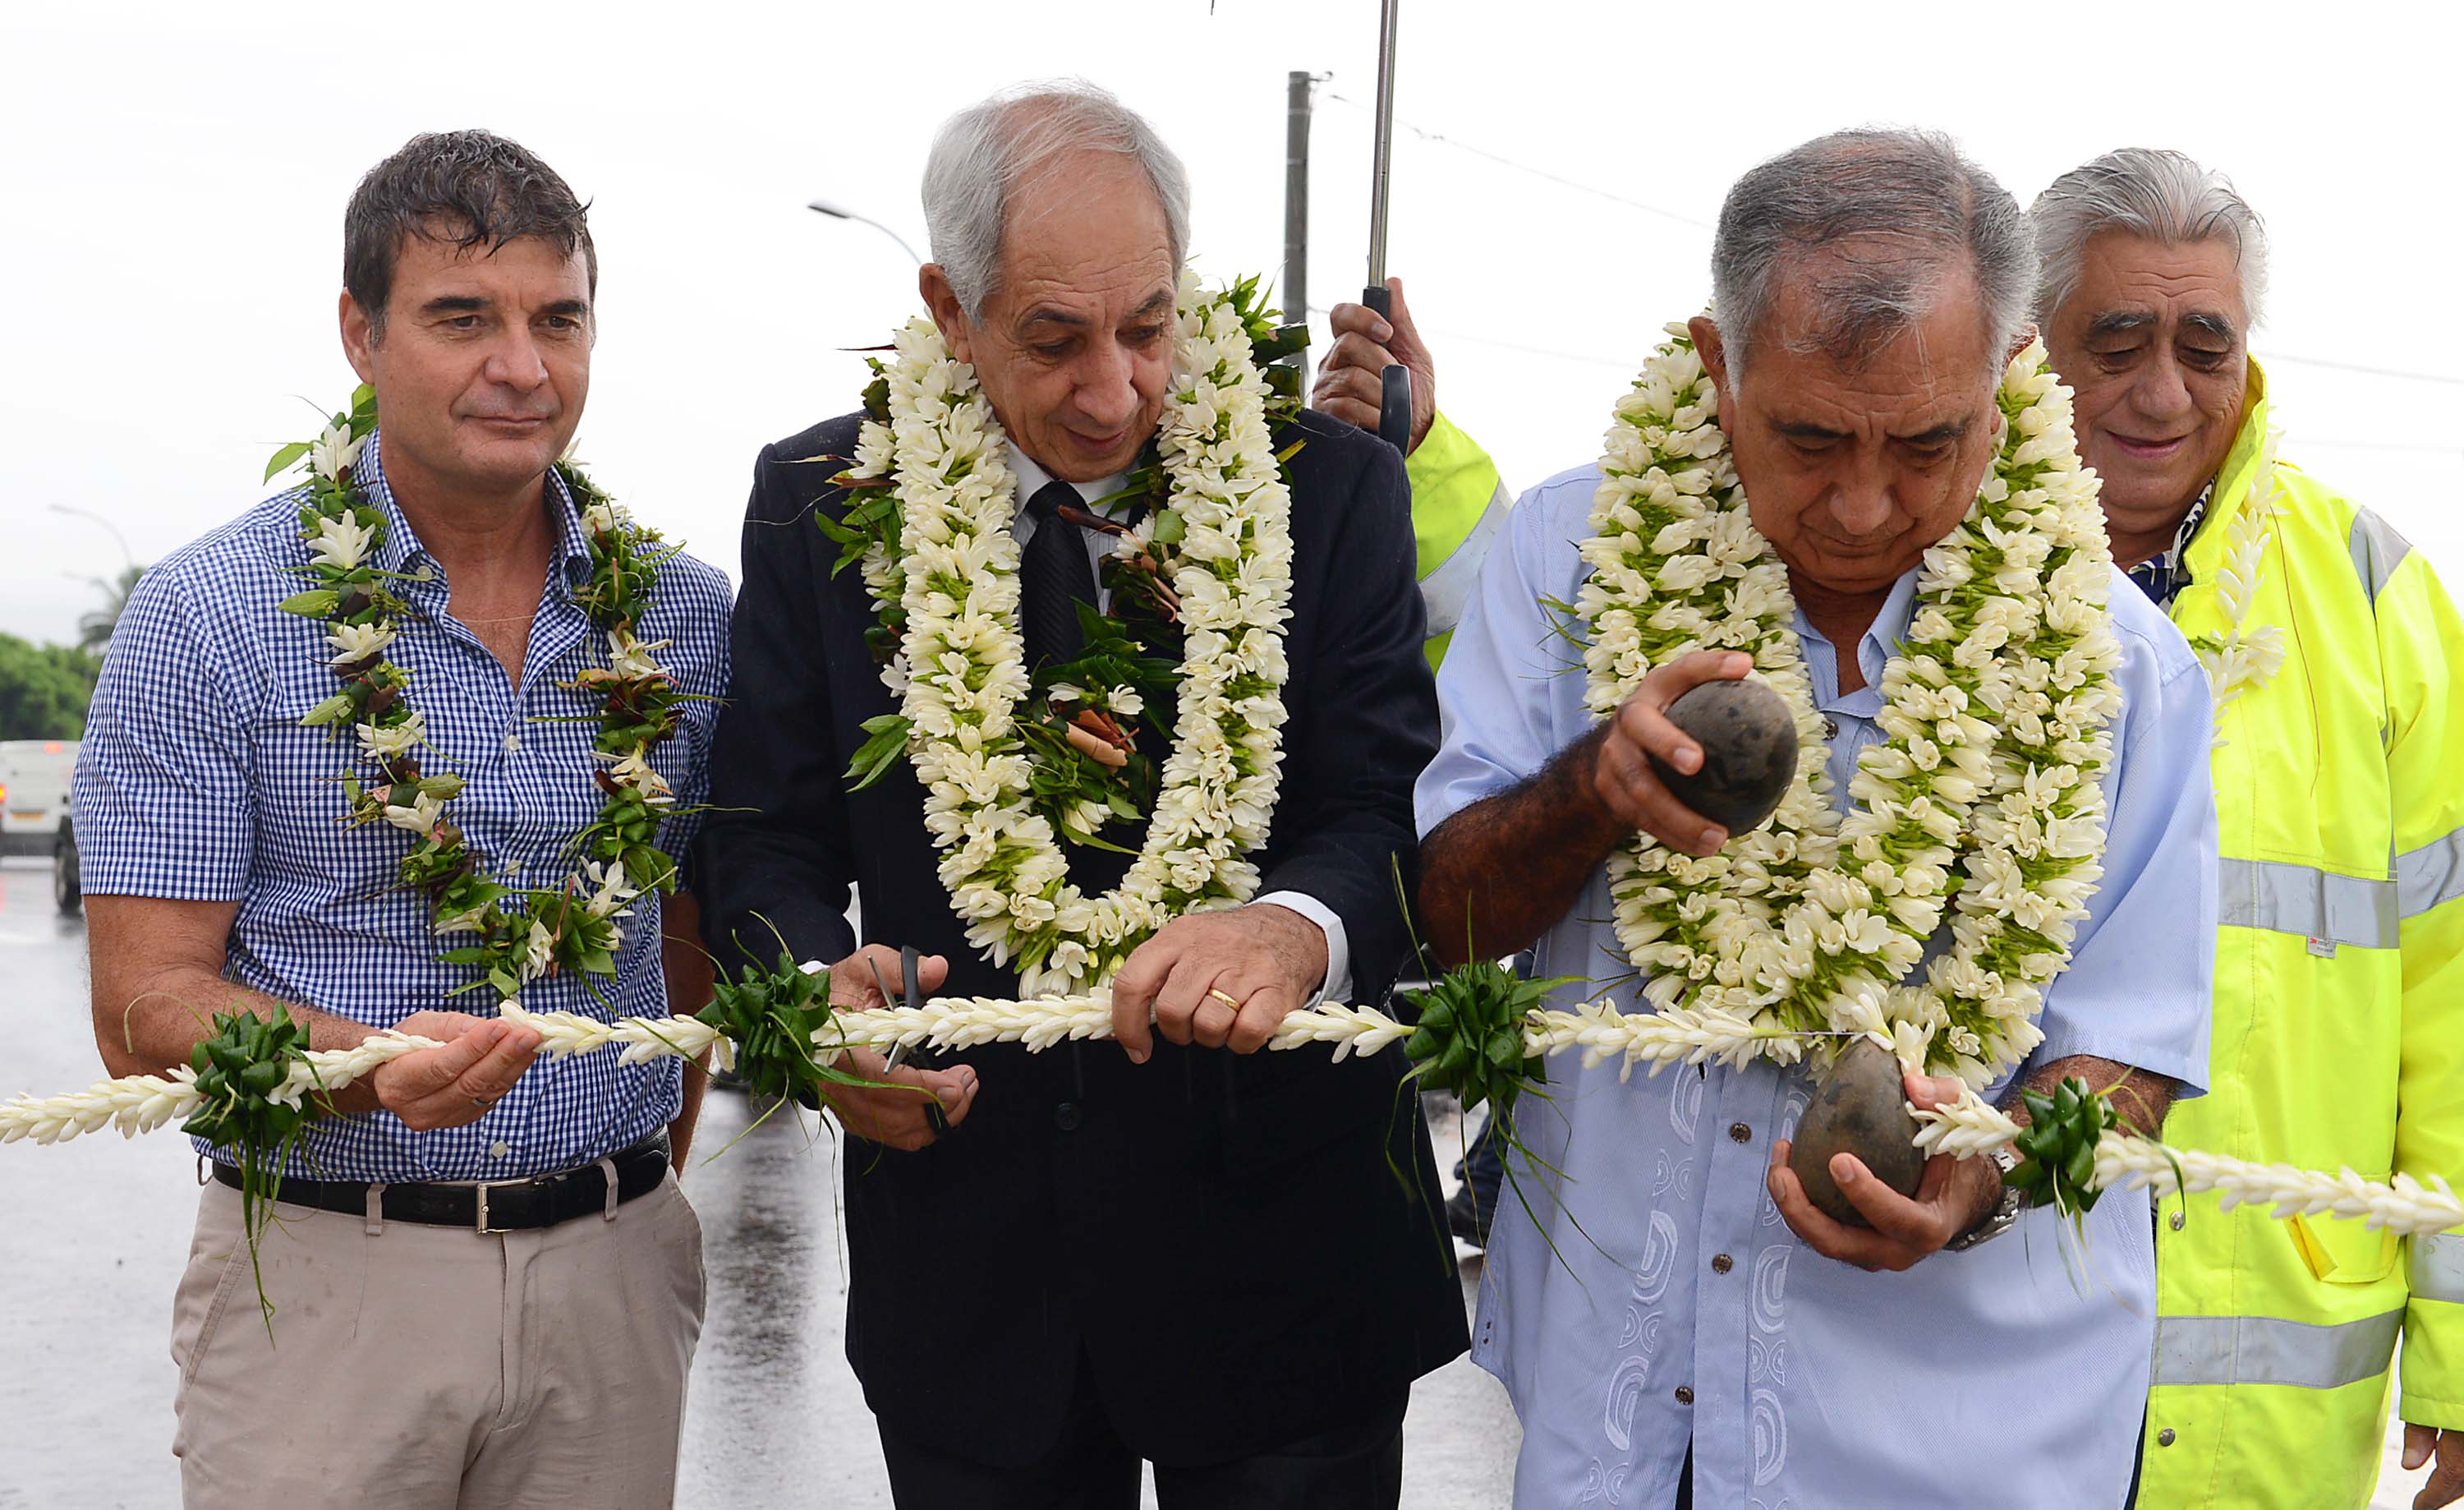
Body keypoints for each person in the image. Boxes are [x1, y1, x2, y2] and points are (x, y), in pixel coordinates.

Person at [1413, 128, 2218, 1506]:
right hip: (1618, 1429)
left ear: (2012, 375)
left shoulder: (2122, 669)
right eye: (1808, 437)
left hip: (1958, 1450)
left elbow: (2126, 1059)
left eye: (1924, 443)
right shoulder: (1566, 560)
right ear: (1715, 369)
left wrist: (1979, 1179)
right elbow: (1446, 916)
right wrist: (1593, 791)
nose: (1860, 502)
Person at [695, 83, 1468, 1507]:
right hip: (973, 1285)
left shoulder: (1330, 489)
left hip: (1293, 1266)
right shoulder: (818, 501)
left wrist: (1290, 930)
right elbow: (757, 840)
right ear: (949, 305)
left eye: (1150, 328)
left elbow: (1385, 806)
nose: (1113, 390)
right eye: (1054, 340)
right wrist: (811, 1000)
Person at [71, 131, 730, 1507]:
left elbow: (689, 936)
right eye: (462, 318)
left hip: (613, 1278)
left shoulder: (680, 617)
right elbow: (142, 1006)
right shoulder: (211, 618)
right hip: (328, 1285)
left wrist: (641, 1202)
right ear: (360, 335)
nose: (523, 366)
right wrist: (363, 1064)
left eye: (559, 317)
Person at [2026, 149, 2464, 1510]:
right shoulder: (1920, 566)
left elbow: (2455, 1002)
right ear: (2030, 348)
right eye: (2117, 342)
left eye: (2203, 344)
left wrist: (2460, 1349)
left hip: (2269, 1407)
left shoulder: (2372, 592)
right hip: (1979, 1365)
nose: (2163, 391)